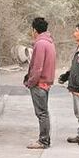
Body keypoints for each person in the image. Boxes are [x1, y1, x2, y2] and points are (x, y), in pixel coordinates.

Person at [24, 17, 56, 150]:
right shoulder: (49, 42)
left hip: (39, 83)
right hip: (46, 83)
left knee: (42, 113)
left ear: (34, 30)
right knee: (44, 112)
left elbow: (37, 67)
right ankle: (45, 139)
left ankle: (43, 141)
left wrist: (30, 82)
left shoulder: (40, 44)